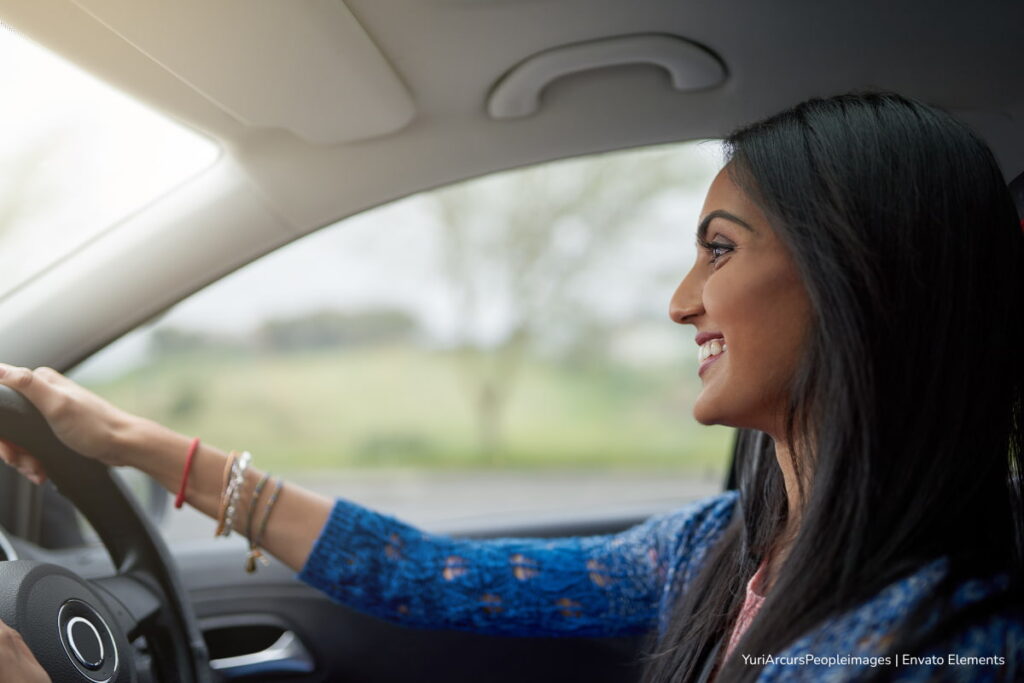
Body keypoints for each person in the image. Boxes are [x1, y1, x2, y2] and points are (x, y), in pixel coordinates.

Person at [0, 91, 1022, 682]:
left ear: (861, 275)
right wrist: (136, 444)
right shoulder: (715, 547)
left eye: (717, 249)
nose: (680, 301)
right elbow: (434, 574)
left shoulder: (953, 641)